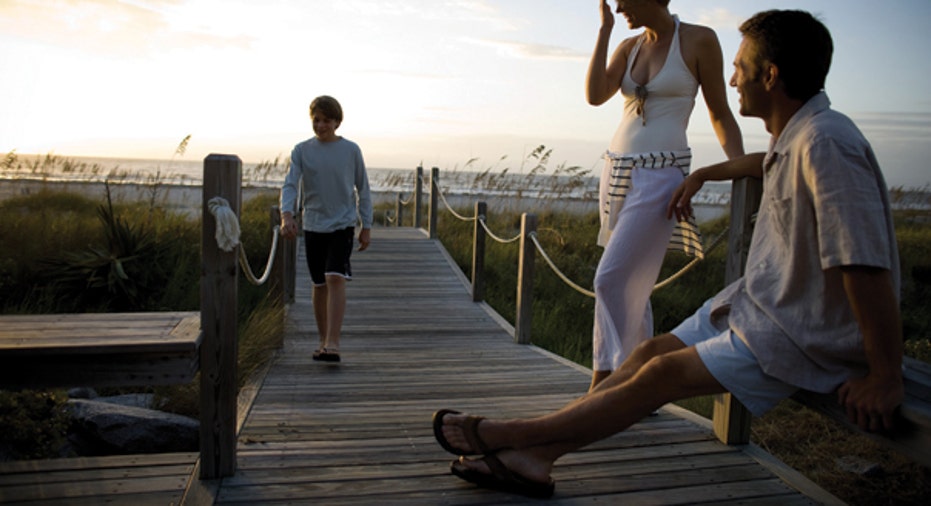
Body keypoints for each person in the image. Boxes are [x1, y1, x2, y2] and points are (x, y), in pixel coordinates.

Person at [432, 9, 903, 498]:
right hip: (757, 306)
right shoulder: (797, 138)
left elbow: (863, 262)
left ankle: (514, 437)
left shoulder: (826, 142)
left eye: (740, 67)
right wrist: (704, 174)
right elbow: (761, 162)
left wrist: (886, 375)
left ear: (771, 75)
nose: (732, 78)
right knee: (650, 351)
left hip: (798, 333)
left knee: (660, 371)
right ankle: (533, 456)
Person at [586, 0, 744, 391]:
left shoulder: (698, 40)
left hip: (662, 174)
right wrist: (604, 30)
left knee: (609, 278)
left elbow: (719, 112)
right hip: (616, 170)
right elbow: (595, 95)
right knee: (632, 281)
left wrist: (740, 167)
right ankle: (639, 387)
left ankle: (605, 380)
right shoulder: (629, 46)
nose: (619, 6)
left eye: (623, 1)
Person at [280, 95, 373, 363]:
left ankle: (333, 342)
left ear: (337, 122)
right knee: (319, 283)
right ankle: (323, 341)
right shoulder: (301, 150)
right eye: (316, 120)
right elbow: (290, 184)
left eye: (326, 120)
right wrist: (288, 215)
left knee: (335, 277)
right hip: (313, 224)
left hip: (342, 224)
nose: (321, 126)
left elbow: (363, 189)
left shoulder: (351, 150)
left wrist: (366, 225)